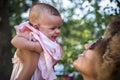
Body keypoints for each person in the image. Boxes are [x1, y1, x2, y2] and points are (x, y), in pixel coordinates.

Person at [10, 3, 62, 80]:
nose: (57, 31)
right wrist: (33, 46)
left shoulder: (52, 42)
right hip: (23, 71)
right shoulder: (32, 34)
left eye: (59, 27)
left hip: (40, 74)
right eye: (53, 28)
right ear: (36, 27)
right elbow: (14, 41)